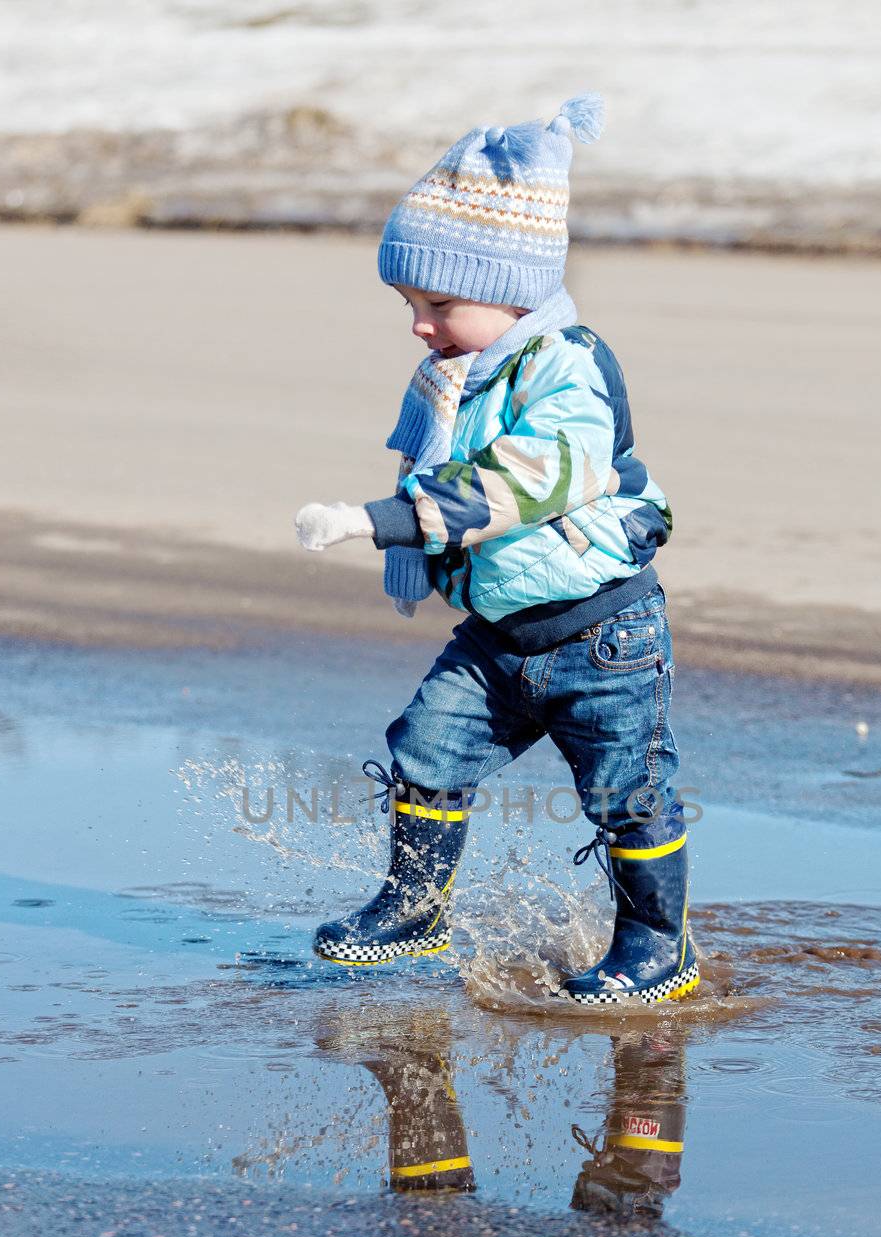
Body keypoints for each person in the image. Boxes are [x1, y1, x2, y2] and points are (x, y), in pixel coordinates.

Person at [295, 93, 698, 1006]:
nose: (418, 325)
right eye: (408, 303)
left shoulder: (570, 366)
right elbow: (437, 457)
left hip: (604, 635)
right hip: (499, 633)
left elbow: (519, 483)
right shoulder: (454, 375)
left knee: (625, 794)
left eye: (437, 301)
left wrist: (380, 519)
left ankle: (654, 947)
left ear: (512, 287)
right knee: (424, 747)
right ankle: (413, 906)